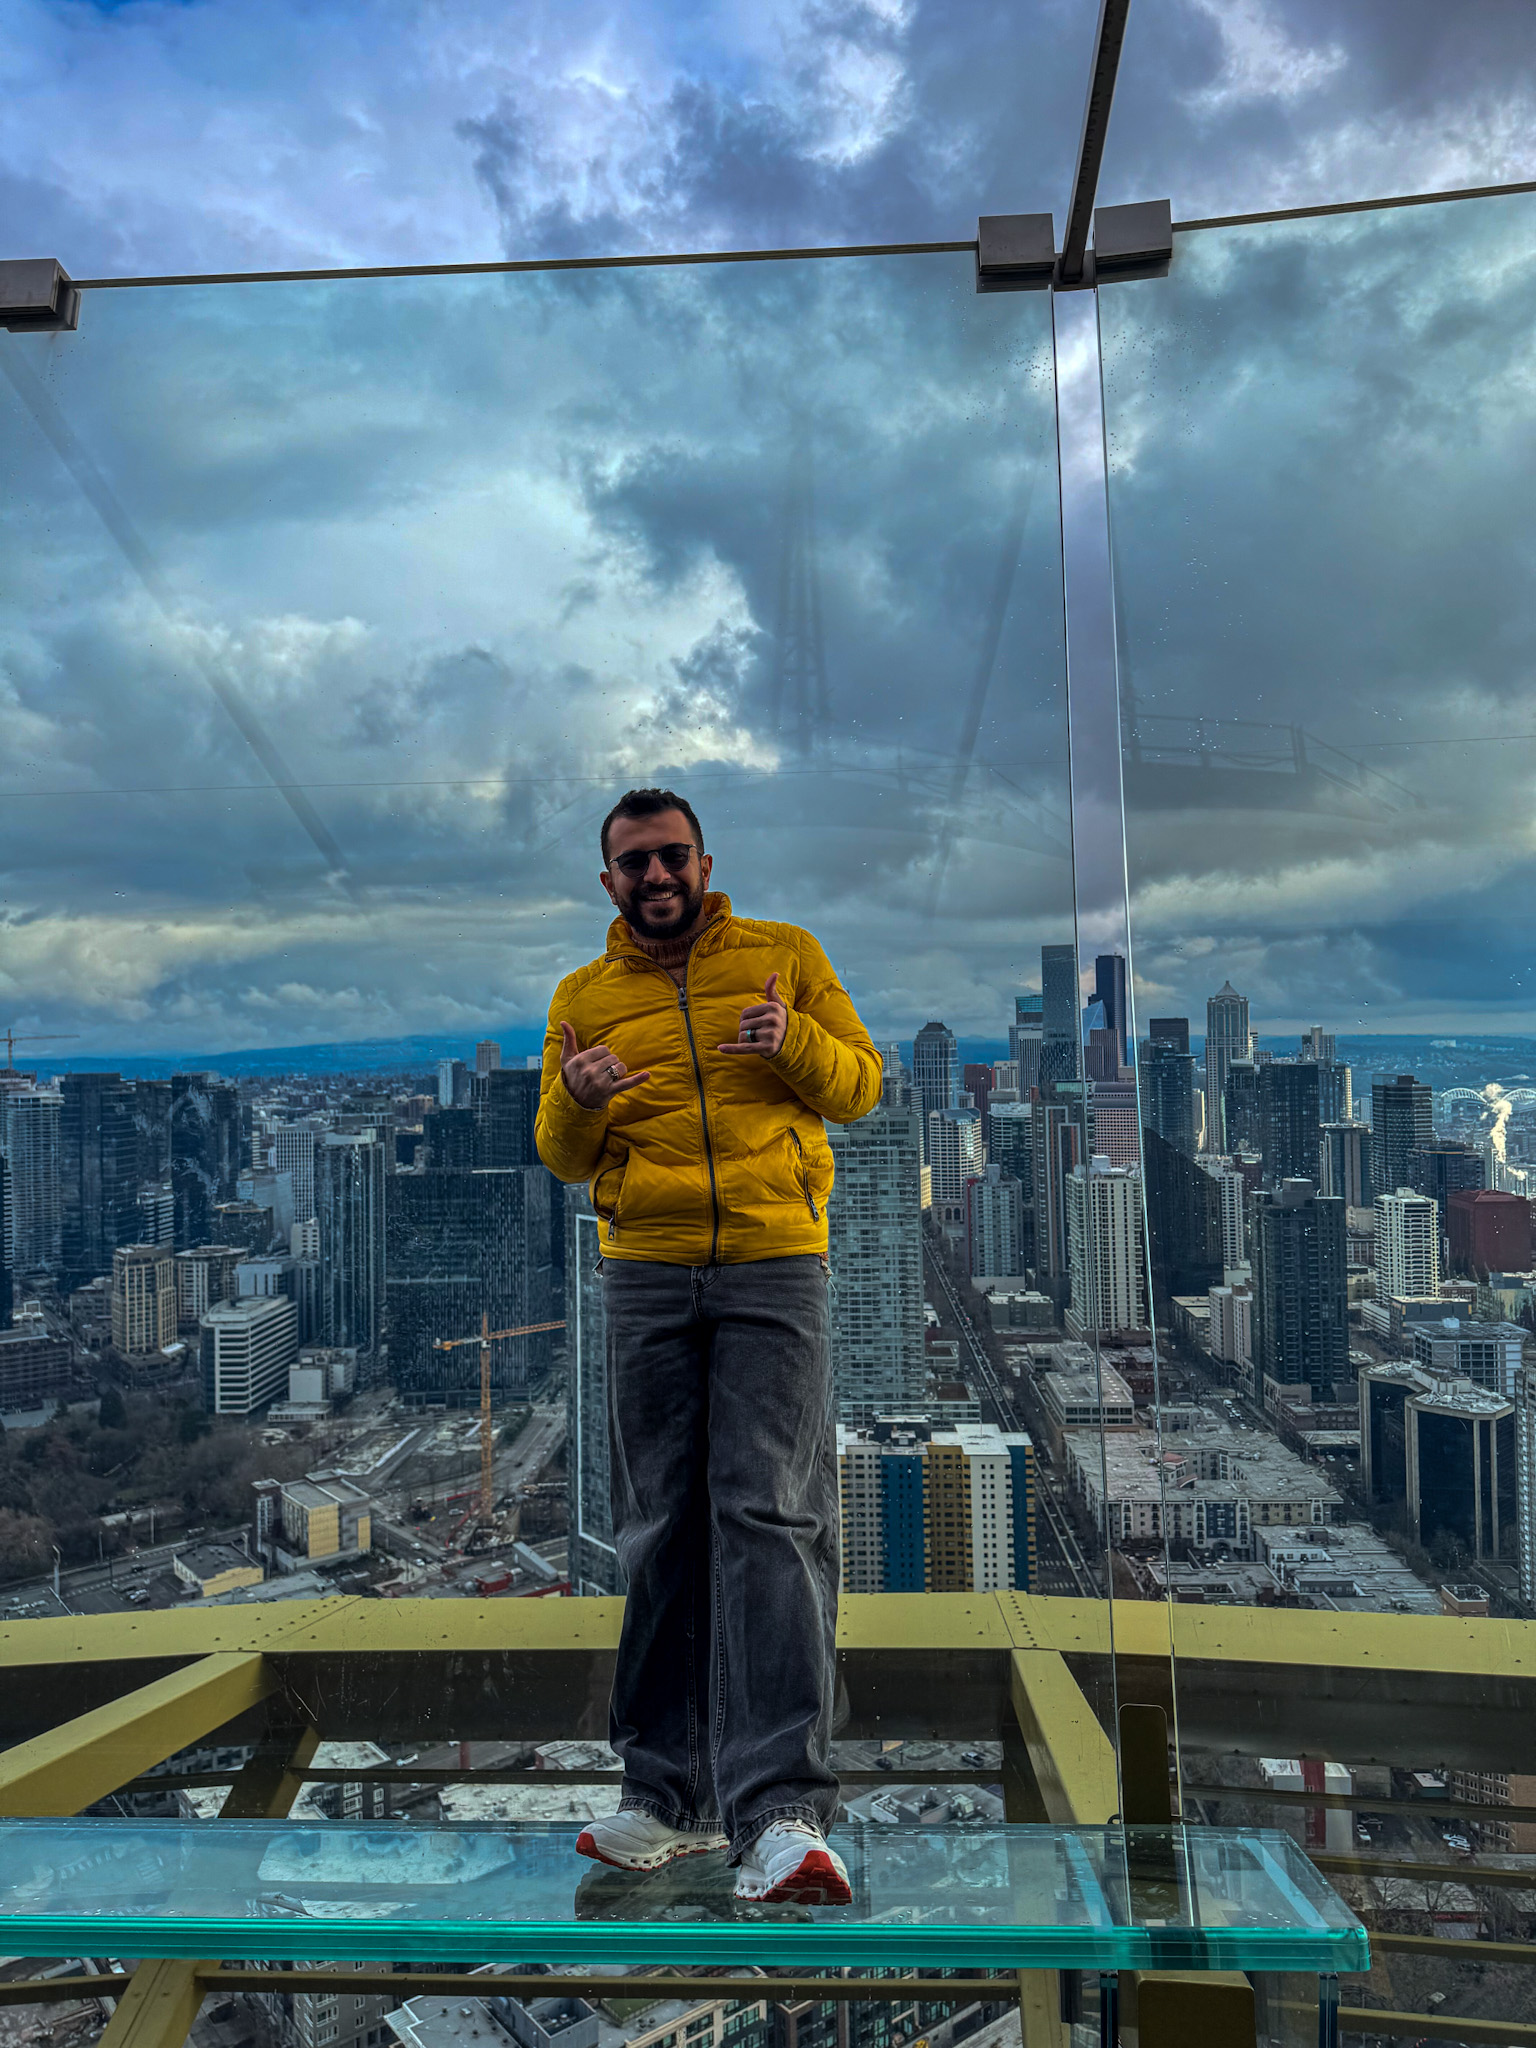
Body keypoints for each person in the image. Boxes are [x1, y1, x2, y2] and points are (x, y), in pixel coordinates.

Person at [536, 787, 881, 1905]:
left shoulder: (786, 956)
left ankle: (782, 1809)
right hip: (644, 1272)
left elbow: (863, 1086)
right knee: (660, 1525)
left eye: (671, 854)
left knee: (769, 1514)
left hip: (777, 1262)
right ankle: (662, 1792)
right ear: (610, 882)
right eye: (634, 862)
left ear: (704, 860)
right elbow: (559, 1150)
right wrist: (581, 1100)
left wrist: (796, 1041)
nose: (656, 875)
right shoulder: (583, 996)